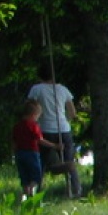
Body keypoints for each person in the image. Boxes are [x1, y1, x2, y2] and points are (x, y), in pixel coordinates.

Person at [27, 67, 82, 198]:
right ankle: (76, 189)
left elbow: (29, 108)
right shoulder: (63, 89)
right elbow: (72, 112)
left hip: (45, 129)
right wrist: (66, 120)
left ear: (40, 77)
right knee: (69, 161)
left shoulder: (36, 89)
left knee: (42, 162)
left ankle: (35, 192)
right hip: (64, 129)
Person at [11, 99, 63, 199]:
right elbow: (40, 140)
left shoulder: (17, 126)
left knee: (24, 176)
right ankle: (31, 191)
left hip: (19, 154)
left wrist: (14, 153)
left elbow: (14, 142)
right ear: (34, 114)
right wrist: (55, 145)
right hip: (32, 153)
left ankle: (25, 195)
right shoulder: (34, 126)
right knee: (36, 176)